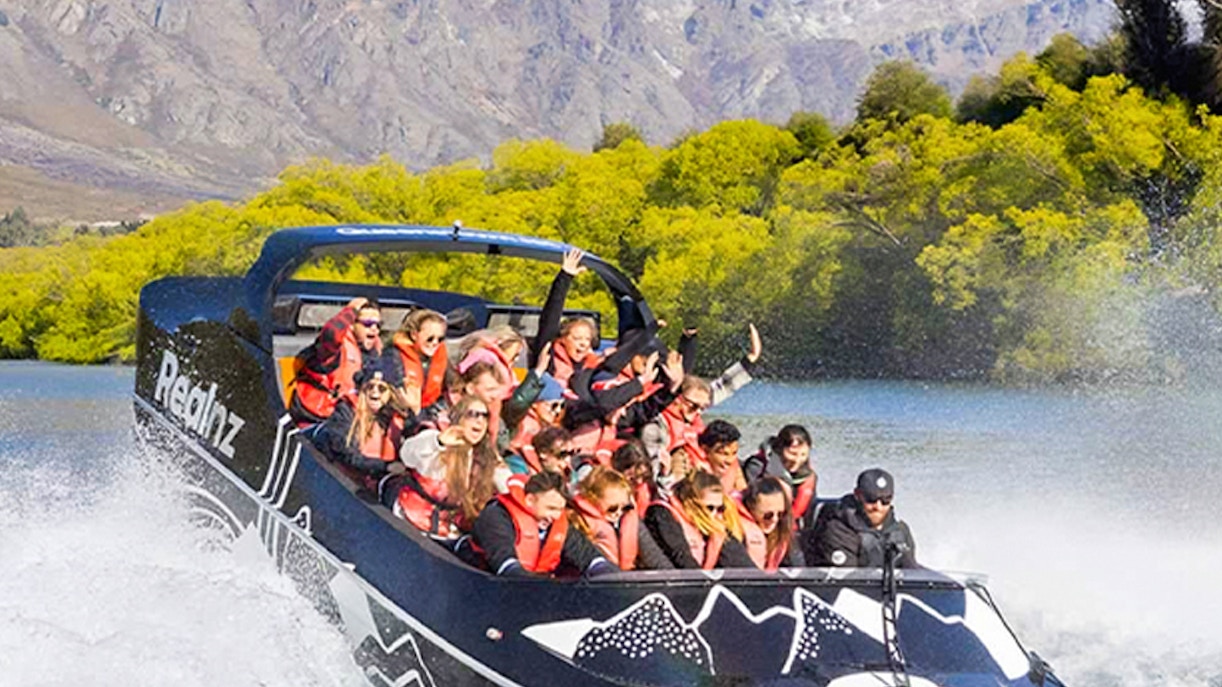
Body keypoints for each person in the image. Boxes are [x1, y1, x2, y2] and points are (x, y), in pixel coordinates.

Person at [383, 396, 505, 539]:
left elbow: (507, 483)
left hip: (445, 528)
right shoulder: (435, 437)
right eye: (472, 414)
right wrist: (439, 442)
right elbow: (407, 455)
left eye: (485, 416)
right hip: (408, 515)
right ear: (458, 418)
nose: (479, 420)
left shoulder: (485, 457)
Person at [473, 471, 617, 578]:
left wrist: (612, 575)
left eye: (560, 509)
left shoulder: (556, 524)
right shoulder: (496, 516)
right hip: (484, 583)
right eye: (551, 508)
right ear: (530, 500)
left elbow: (590, 558)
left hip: (536, 589)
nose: (556, 516)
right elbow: (504, 562)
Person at [290, 297, 384, 425]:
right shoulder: (334, 351)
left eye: (378, 325)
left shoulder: (376, 353)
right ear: (351, 325)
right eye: (367, 324)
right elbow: (331, 334)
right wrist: (351, 310)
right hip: (318, 420)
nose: (374, 329)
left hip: (353, 421)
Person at [310, 364, 407, 484]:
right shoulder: (345, 413)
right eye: (370, 386)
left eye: (382, 388)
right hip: (343, 481)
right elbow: (347, 455)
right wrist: (385, 466)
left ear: (390, 393)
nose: (375, 392)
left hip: (378, 480)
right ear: (362, 389)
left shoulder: (396, 418)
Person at [804, 468, 918, 568]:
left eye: (885, 500)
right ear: (858, 495)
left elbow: (911, 570)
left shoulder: (900, 531)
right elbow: (848, 579)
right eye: (871, 499)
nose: (878, 507)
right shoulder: (837, 529)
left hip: (889, 590)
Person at [645, 471, 756, 570]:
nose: (714, 515)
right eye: (709, 508)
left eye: (720, 508)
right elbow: (682, 560)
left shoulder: (715, 527)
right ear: (690, 502)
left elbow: (745, 567)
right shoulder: (662, 515)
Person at [532, 248, 603, 387]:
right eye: (577, 339)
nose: (583, 344)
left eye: (587, 339)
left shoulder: (593, 366)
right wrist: (565, 277)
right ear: (563, 339)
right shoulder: (548, 355)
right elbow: (550, 316)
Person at [742, 424, 818, 529]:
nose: (797, 460)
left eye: (803, 455)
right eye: (792, 453)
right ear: (779, 449)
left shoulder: (807, 477)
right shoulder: (758, 466)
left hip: (792, 528)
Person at [569, 467, 640, 570]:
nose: (618, 513)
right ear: (592, 501)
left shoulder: (627, 521)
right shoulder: (578, 524)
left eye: (625, 508)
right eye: (612, 508)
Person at [384, 308, 449, 416]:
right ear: (414, 335)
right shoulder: (393, 357)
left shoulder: (439, 358)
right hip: (398, 417)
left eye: (440, 339)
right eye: (430, 338)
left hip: (428, 415)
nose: (435, 343)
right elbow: (397, 399)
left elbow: (447, 391)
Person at [738, 477, 804, 571]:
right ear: (751, 508)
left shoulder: (785, 535)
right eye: (768, 515)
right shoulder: (736, 532)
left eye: (781, 514)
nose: (775, 519)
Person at [696, 419, 748, 493]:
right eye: (723, 454)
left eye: (734, 453)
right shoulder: (696, 471)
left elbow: (743, 491)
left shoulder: (734, 466)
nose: (730, 460)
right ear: (706, 450)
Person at [506, 426, 576, 478]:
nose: (567, 460)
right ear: (544, 453)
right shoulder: (518, 466)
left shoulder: (569, 475)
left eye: (571, 453)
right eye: (562, 454)